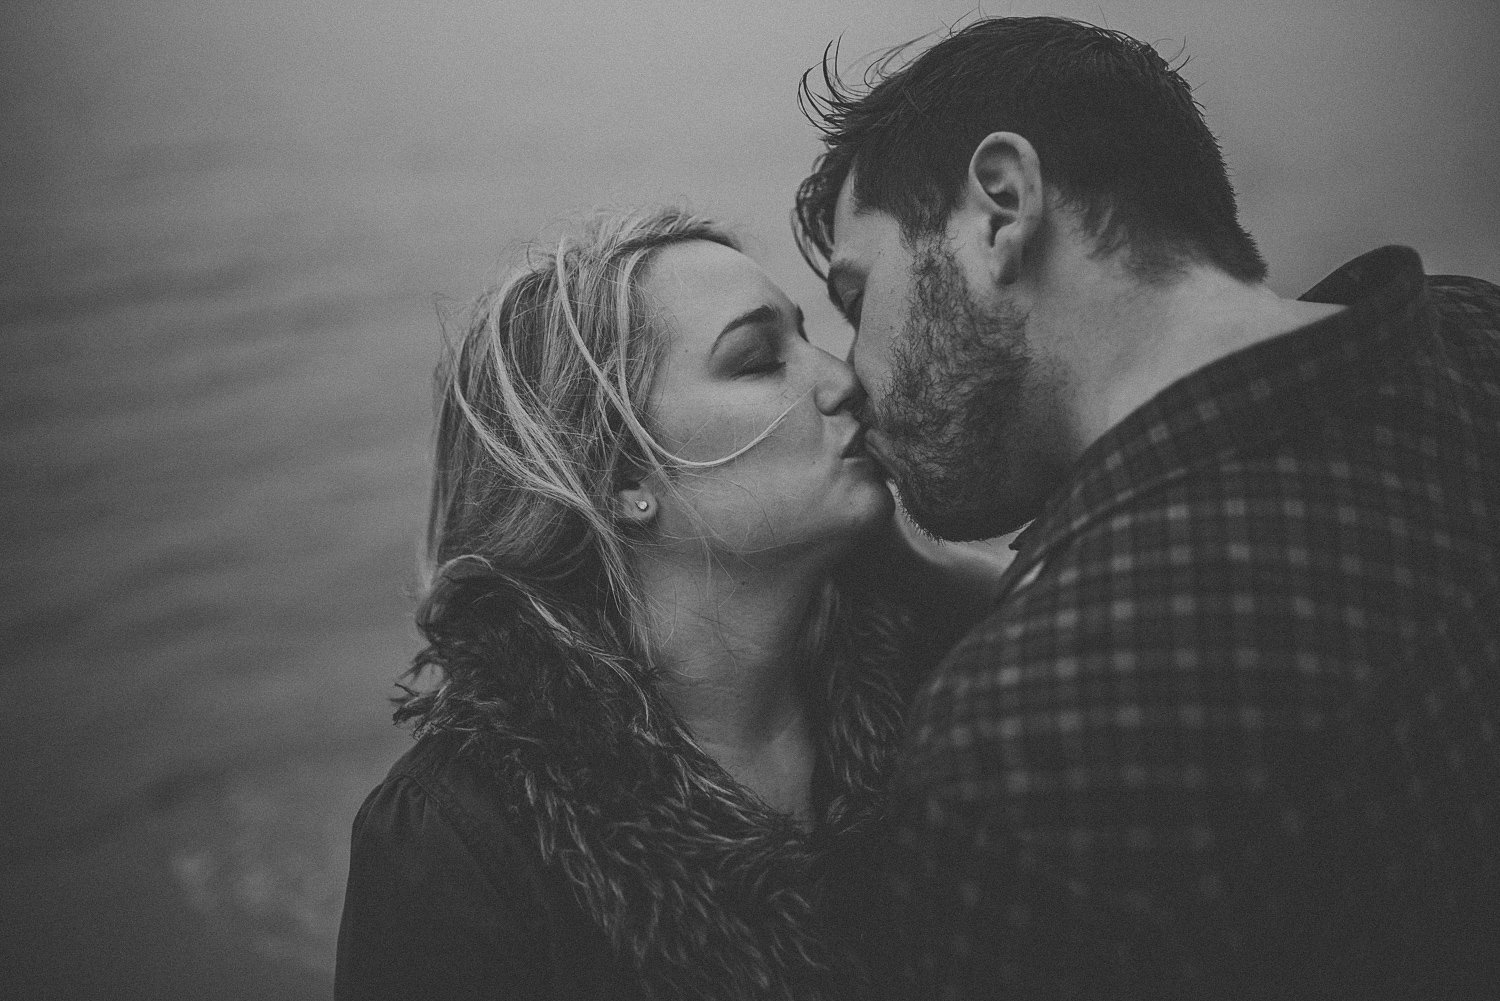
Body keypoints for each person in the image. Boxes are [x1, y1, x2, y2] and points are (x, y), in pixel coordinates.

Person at [794, 15, 1500, 999]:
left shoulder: (1022, 753)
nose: (852, 376)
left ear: (1001, 209)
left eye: (856, 298)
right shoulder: (1475, 342)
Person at [334, 208, 990, 1000]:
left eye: (809, 335)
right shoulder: (460, 842)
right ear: (622, 479)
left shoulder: (941, 684)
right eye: (758, 360)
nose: (843, 378)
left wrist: (940, 576)